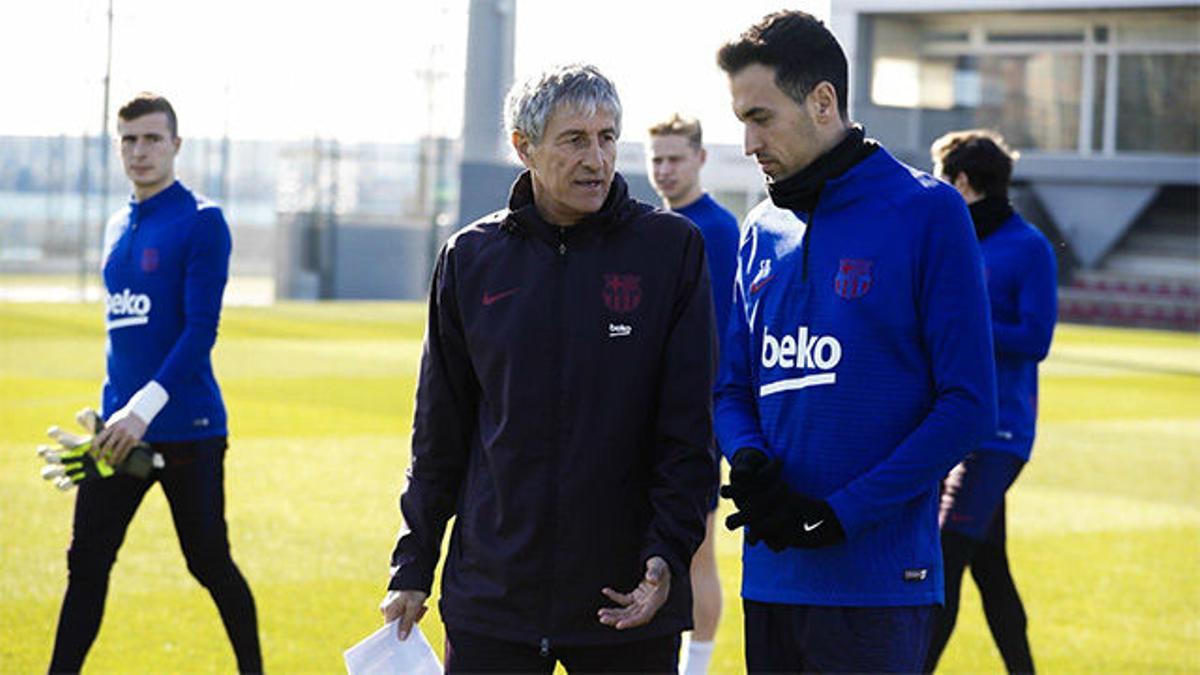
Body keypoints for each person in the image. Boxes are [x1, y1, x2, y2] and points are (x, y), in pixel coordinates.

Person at [379, 64, 717, 672]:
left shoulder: (670, 250)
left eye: (608, 137)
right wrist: (413, 565)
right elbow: (439, 430)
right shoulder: (471, 258)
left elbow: (689, 428)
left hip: (627, 598)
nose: (597, 158)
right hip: (494, 598)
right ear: (523, 146)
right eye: (574, 140)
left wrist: (667, 555)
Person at [712, 11, 998, 673]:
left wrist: (839, 515)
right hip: (773, 578)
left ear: (822, 102)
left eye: (761, 117)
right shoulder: (758, 229)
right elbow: (732, 387)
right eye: (740, 122)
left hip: (878, 584)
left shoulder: (928, 211)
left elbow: (968, 405)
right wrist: (750, 460)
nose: (749, 143)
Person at [48, 93, 262, 673]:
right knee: (86, 563)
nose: (139, 151)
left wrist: (142, 408)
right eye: (128, 140)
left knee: (208, 562)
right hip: (117, 433)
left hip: (189, 428)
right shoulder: (118, 223)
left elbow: (199, 332)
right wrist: (108, 415)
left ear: (175, 145)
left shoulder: (201, 220)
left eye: (151, 139)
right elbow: (125, 336)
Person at [924, 129, 1057, 674]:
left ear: (961, 182)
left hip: (999, 434)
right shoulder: (954, 240)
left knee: (946, 556)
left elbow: (1035, 338)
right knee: (989, 568)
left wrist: (963, 322)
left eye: (941, 178)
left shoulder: (1029, 247)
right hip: (952, 429)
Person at [645, 113, 740, 675]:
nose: (665, 170)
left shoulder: (717, 229)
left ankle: (696, 668)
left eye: (675, 158)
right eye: (657, 159)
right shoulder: (654, 225)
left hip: (697, 417)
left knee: (697, 552)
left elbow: (721, 331)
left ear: (701, 159)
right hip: (650, 415)